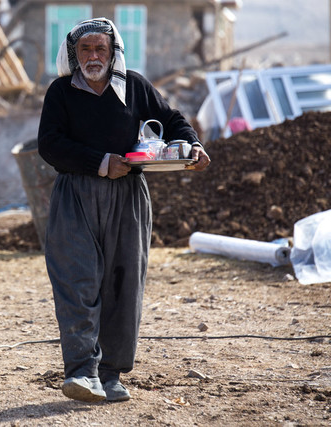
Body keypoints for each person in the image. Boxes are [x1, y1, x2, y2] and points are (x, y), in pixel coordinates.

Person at [37, 18, 210, 403]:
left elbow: (173, 121)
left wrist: (192, 146)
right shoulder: (61, 92)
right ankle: (82, 371)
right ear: (73, 54)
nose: (93, 56)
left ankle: (110, 373)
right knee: (77, 281)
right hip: (75, 197)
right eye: (85, 50)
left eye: (101, 49)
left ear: (113, 52)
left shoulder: (134, 86)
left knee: (122, 284)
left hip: (128, 198)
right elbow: (49, 145)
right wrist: (100, 162)